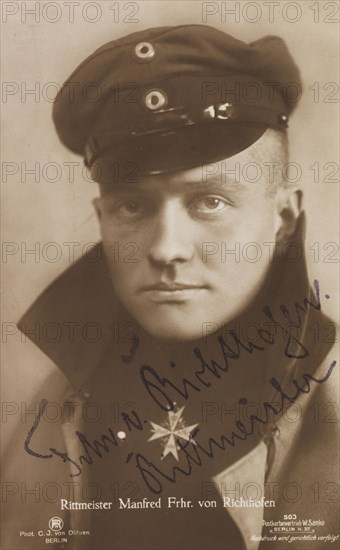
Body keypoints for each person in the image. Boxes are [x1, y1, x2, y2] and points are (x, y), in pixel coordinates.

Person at [3, 25, 338, 550]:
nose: (165, 249)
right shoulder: (50, 409)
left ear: (285, 219)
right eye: (132, 206)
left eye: (210, 202)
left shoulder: (329, 405)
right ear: (101, 217)